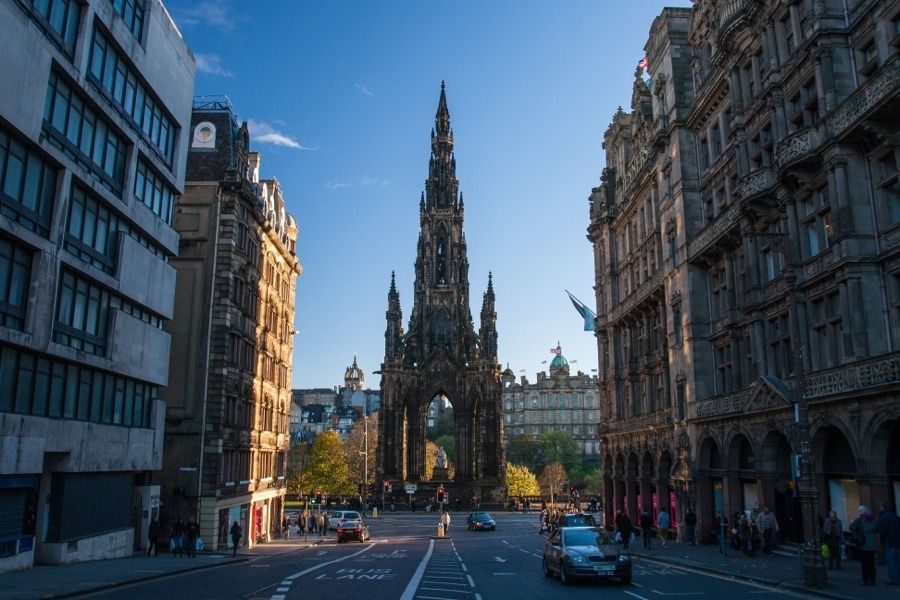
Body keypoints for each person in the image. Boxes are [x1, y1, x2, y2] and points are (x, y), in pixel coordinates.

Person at [850, 505, 879, 585]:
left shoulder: (859, 520)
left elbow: (852, 527)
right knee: (871, 563)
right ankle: (872, 579)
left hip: (863, 545)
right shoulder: (874, 520)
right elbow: (876, 529)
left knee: (864, 564)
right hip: (872, 545)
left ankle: (866, 579)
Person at [877, 501, 900, 585]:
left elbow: (883, 531)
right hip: (898, 542)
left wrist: (882, 541)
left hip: (890, 542)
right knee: (897, 561)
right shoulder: (896, 517)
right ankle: (898, 577)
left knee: (891, 562)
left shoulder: (884, 517)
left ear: (882, 507)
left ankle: (894, 579)